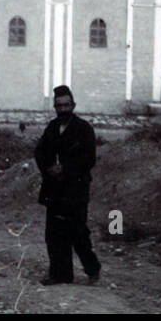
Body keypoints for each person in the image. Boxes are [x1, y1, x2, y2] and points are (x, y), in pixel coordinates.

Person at [34, 85, 101, 286]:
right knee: (53, 233)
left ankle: (92, 269)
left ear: (73, 105)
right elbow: (40, 152)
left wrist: (65, 168)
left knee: (77, 232)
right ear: (54, 107)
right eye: (59, 105)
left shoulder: (84, 128)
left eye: (66, 105)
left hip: (76, 189)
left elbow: (89, 158)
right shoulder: (52, 127)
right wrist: (48, 168)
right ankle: (60, 274)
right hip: (55, 189)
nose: (63, 109)